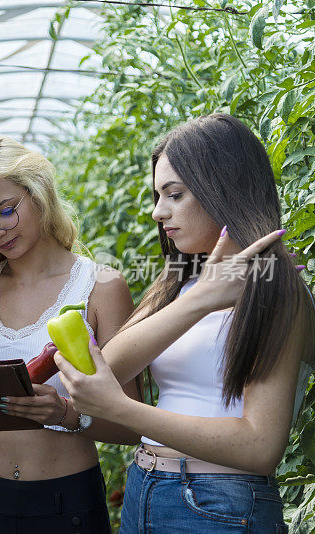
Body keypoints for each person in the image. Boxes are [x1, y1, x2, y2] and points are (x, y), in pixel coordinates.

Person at [54, 113, 315, 533]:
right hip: (146, 488)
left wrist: (123, 410)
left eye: (174, 194)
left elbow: (260, 445)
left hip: (220, 504)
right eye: (158, 195)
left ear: (222, 189)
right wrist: (202, 297)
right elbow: (109, 366)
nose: (159, 212)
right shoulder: (181, 281)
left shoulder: (273, 286)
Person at [0, 134, 141, 533]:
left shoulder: (101, 287)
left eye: (5, 211)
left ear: (38, 192)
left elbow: (132, 425)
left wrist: (66, 415)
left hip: (66, 503)